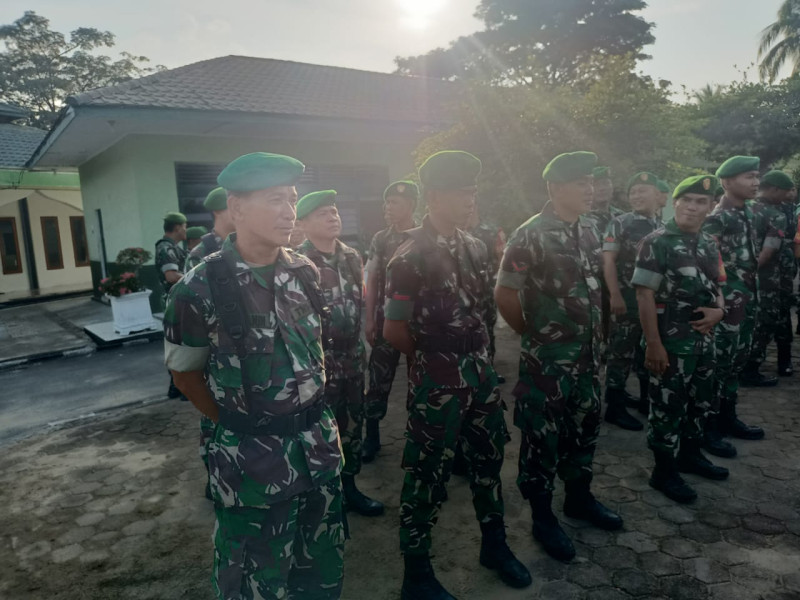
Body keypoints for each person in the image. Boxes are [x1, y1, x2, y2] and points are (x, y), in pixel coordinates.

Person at [164, 152, 345, 600]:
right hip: (252, 471)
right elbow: (186, 377)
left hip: (319, 454)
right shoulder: (197, 289)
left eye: (292, 199)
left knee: (321, 576)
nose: (289, 211)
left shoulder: (305, 271)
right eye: (274, 200)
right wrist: (240, 425)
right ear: (238, 208)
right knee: (254, 586)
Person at [384, 151, 530, 599]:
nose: (470, 200)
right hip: (439, 382)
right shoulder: (408, 257)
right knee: (427, 474)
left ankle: (495, 545)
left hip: (480, 375)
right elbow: (393, 330)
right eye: (461, 192)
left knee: (488, 463)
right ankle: (417, 570)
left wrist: (476, 360)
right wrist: (434, 360)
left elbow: (484, 314)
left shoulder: (474, 245)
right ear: (435, 196)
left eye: (472, 191)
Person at [496, 151, 622, 564]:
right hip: (548, 364)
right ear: (555, 188)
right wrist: (535, 337)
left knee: (584, 430)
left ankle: (579, 499)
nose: (590, 189)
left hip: (588, 360)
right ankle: (542, 515)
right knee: (541, 440)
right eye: (580, 183)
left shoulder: (589, 228)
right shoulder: (529, 235)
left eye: (591, 181)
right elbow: (505, 294)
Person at [633, 174, 729, 504]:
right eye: (686, 200)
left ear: (711, 206)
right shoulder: (656, 242)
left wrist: (720, 310)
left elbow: (717, 284)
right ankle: (664, 471)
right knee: (666, 408)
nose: (692, 206)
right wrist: (654, 344)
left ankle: (690, 455)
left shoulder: (707, 242)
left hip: (703, 340)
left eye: (701, 201)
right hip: (670, 341)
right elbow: (644, 295)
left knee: (701, 401)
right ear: (675, 203)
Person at [295, 189, 385, 517]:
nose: (333, 217)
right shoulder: (296, 263)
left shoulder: (351, 255)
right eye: (323, 214)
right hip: (317, 362)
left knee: (352, 427)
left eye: (334, 211)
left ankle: (349, 489)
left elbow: (358, 302)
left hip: (351, 358)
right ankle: (321, 497)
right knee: (318, 430)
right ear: (303, 224)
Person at [702, 155, 766, 457]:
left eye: (757, 176)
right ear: (727, 183)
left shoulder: (749, 214)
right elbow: (708, 264)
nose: (756, 182)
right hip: (725, 303)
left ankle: (728, 416)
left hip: (746, 301)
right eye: (748, 177)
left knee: (736, 362)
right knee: (718, 364)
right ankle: (707, 426)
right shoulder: (717, 218)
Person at [184, 186, 237, 501]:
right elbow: (192, 309)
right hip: (215, 349)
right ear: (220, 211)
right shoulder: (201, 253)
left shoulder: (244, 247)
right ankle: (213, 472)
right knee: (213, 421)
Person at [362, 180, 419, 463]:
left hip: (417, 324)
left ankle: (417, 437)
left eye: (394, 202)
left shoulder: (423, 236)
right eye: (386, 203)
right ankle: (371, 436)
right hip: (386, 322)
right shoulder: (381, 239)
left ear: (411, 204)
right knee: (378, 378)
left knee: (419, 381)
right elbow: (371, 279)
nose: (388, 208)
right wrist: (370, 318)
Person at [602, 172, 663, 429]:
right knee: (620, 352)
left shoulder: (664, 225)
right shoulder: (620, 223)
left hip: (654, 301)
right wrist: (614, 294)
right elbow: (608, 261)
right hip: (627, 299)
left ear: (658, 195)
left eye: (642, 190)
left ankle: (645, 400)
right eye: (633, 192)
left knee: (646, 350)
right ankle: (614, 407)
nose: (637, 196)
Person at [742, 170, 791, 384]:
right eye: (785, 191)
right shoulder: (775, 215)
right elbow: (769, 250)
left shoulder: (744, 208)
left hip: (739, 277)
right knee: (764, 323)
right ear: (773, 190)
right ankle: (750, 370)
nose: (787, 196)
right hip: (766, 280)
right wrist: (753, 271)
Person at [467, 205, 507, 381]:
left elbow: (502, 259)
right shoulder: (454, 232)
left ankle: (488, 370)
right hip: (463, 294)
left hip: (486, 292)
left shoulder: (491, 232)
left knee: (488, 330)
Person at [156, 211, 188, 399]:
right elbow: (171, 276)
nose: (186, 230)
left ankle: (176, 387)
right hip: (174, 302)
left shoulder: (172, 247)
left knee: (179, 342)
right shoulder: (166, 248)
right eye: (184, 227)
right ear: (177, 228)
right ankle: (180, 387)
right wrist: (194, 281)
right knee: (179, 344)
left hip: (177, 301)